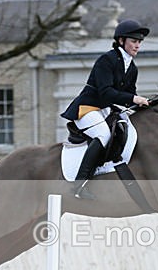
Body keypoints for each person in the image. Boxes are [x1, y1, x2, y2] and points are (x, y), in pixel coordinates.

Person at [61, 19, 151, 200]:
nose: (137, 45)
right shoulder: (107, 60)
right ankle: (79, 185)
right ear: (121, 41)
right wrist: (134, 98)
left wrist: (142, 104)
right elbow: (106, 92)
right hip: (86, 108)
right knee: (103, 134)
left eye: (139, 42)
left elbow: (129, 96)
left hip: (105, 110)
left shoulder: (132, 67)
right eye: (133, 41)